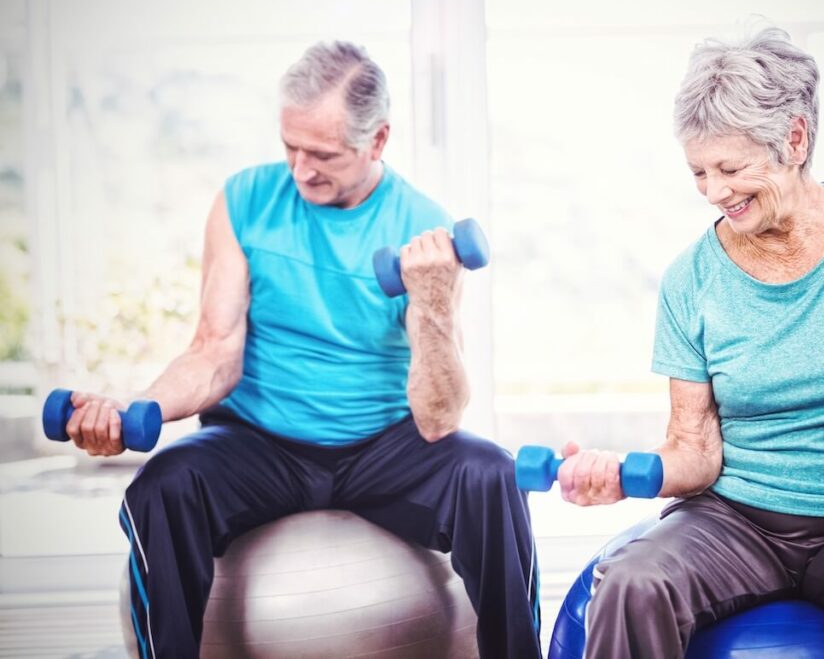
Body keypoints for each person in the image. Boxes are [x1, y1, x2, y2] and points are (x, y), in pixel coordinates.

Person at [62, 41, 542, 659]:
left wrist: (433, 303)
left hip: (385, 446)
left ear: (378, 141)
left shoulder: (424, 228)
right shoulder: (244, 201)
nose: (300, 170)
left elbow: (440, 417)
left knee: (490, 474)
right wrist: (134, 410)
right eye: (289, 146)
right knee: (164, 484)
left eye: (323, 154)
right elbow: (214, 349)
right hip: (259, 444)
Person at [557, 27, 824, 659]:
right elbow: (694, 450)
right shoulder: (693, 278)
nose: (714, 192)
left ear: (794, 139)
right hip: (735, 519)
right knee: (632, 580)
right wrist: (622, 476)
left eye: (731, 168)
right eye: (699, 172)